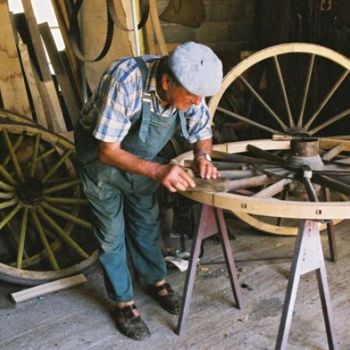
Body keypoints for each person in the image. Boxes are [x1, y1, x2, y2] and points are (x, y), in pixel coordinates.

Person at [74, 41, 223, 340]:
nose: (196, 103)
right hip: (102, 161)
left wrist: (202, 157)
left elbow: (202, 131)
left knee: (146, 222)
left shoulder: (189, 90)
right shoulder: (125, 80)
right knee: (111, 235)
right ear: (166, 82)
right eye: (192, 98)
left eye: (200, 99)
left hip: (142, 163)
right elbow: (108, 151)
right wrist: (158, 170)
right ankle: (124, 302)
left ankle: (154, 280)